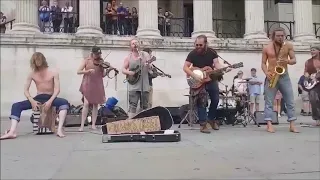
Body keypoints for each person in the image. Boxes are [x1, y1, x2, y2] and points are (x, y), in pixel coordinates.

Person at [0, 52, 69, 140]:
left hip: (51, 97)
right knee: (16, 106)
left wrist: (50, 101)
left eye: (39, 60)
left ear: (43, 60)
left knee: (64, 103)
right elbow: (25, 90)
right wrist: (32, 100)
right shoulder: (32, 74)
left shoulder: (53, 72)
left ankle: (59, 130)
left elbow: (57, 90)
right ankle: (12, 131)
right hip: (38, 98)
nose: (38, 63)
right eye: (36, 61)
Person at [183, 35, 231, 133]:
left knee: (216, 99)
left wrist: (223, 68)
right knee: (202, 102)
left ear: (205, 44)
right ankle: (203, 124)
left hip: (210, 78)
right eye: (196, 45)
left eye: (200, 45)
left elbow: (217, 64)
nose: (198, 47)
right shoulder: (192, 54)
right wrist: (194, 75)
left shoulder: (212, 52)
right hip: (198, 80)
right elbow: (185, 67)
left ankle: (211, 119)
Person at [261, 27, 298, 133]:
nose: (280, 37)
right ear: (273, 36)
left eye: (282, 35)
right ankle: (269, 124)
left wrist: (287, 61)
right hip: (271, 75)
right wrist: (266, 73)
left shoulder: (288, 46)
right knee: (269, 102)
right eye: (278, 36)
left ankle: (292, 124)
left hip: (284, 75)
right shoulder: (266, 48)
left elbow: (294, 60)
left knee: (290, 100)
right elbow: (263, 63)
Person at [77, 46, 107, 131]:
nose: (98, 56)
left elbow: (103, 75)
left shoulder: (101, 61)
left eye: (99, 54)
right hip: (87, 84)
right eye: (96, 54)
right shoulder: (87, 60)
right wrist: (87, 71)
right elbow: (78, 71)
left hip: (97, 84)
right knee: (86, 104)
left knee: (95, 104)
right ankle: (82, 125)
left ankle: (93, 124)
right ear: (92, 53)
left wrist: (107, 70)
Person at [122, 39, 152, 118]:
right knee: (133, 105)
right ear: (131, 46)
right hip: (133, 85)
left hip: (144, 85)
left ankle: (142, 122)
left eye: (136, 43)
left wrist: (148, 65)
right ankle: (131, 123)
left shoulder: (145, 55)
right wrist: (129, 73)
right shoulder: (128, 57)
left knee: (144, 106)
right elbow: (123, 70)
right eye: (133, 43)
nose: (135, 44)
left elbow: (150, 68)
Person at [304, 46, 320, 126]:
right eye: (311, 50)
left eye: (314, 50)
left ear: (318, 51)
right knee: (313, 100)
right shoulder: (308, 62)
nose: (312, 51)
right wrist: (306, 78)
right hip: (313, 84)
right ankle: (317, 119)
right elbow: (306, 72)